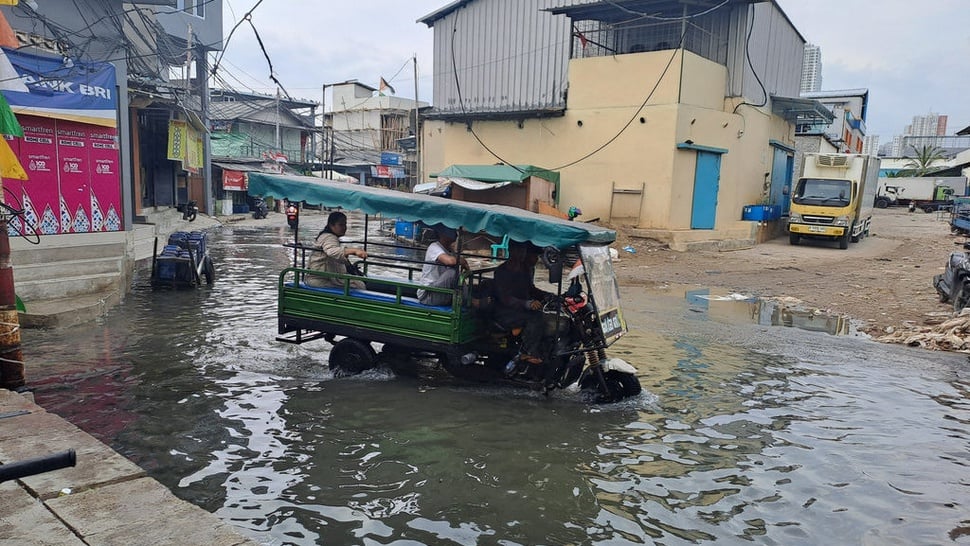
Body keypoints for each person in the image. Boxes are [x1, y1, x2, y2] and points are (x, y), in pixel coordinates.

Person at [492, 241, 552, 364]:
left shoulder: (524, 270)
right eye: (518, 251)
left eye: (522, 251)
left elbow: (530, 289)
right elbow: (505, 298)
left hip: (519, 310)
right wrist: (527, 304)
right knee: (535, 318)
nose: (521, 254)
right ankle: (527, 352)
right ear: (511, 250)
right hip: (504, 312)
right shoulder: (502, 271)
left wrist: (549, 296)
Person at [306, 211, 367, 289]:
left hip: (325, 277)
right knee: (360, 286)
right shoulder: (329, 237)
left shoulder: (328, 236)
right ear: (331, 225)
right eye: (341, 225)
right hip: (320, 280)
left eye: (345, 224)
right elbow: (332, 251)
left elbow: (336, 256)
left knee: (359, 281)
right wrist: (354, 250)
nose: (344, 228)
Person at [417, 225, 468, 306]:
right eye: (451, 231)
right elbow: (450, 261)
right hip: (428, 294)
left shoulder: (449, 250)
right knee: (452, 273)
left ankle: (468, 299)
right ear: (442, 234)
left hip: (441, 290)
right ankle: (470, 301)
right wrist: (462, 261)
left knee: (456, 274)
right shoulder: (434, 247)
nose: (455, 233)